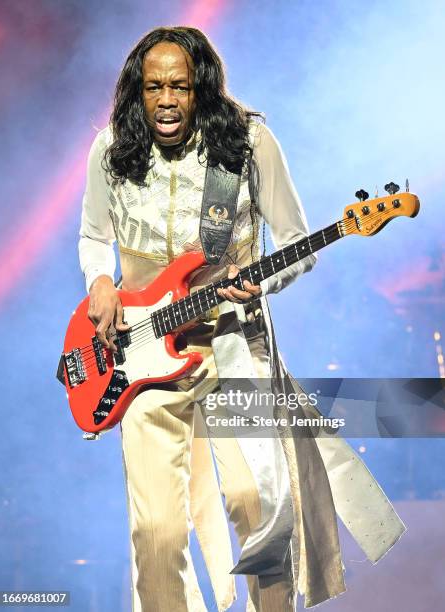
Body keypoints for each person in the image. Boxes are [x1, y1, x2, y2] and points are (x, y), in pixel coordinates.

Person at [79, 26, 406, 612]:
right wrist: (99, 280)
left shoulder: (248, 143)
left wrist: (264, 278)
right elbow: (92, 235)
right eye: (153, 87)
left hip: (234, 345)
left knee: (262, 508)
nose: (166, 100)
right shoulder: (111, 147)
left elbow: (295, 241)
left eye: (179, 86)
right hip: (138, 354)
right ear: (136, 92)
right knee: (155, 534)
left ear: (201, 87)